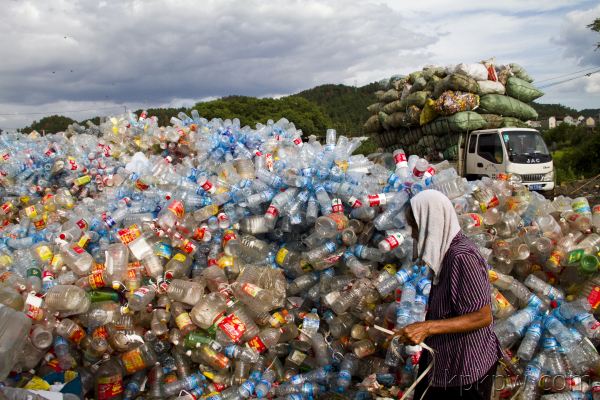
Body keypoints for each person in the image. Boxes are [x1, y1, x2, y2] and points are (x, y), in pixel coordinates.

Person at [398, 190, 501, 400]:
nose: (413, 234)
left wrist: (426, 328)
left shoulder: (462, 257)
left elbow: (482, 316)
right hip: (445, 359)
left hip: (467, 368)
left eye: (415, 226)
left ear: (431, 223)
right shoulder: (446, 254)